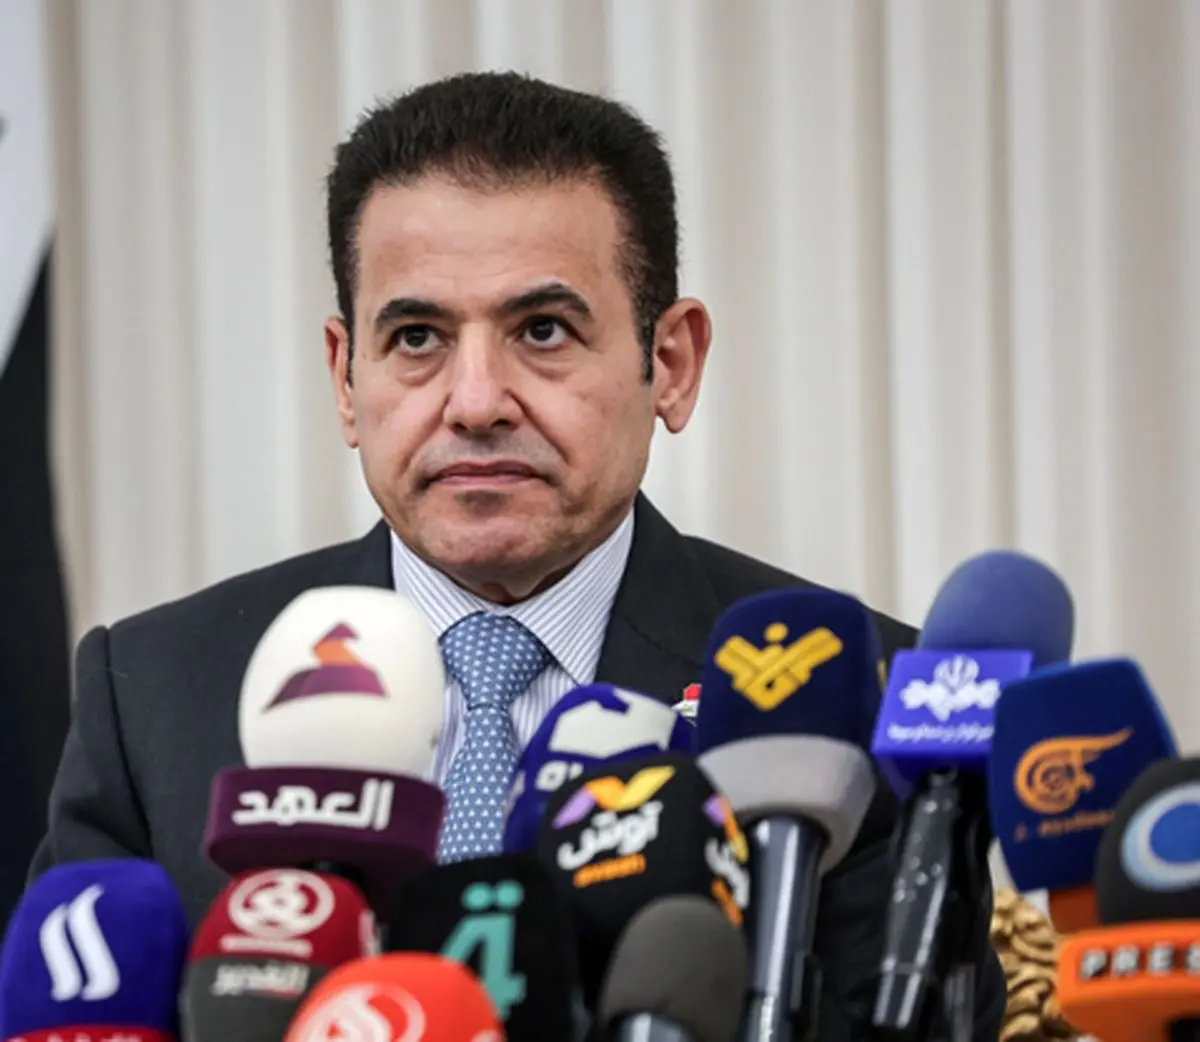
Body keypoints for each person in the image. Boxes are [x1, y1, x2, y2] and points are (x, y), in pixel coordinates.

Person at [32, 72, 1003, 1040]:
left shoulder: (855, 704)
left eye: (543, 331)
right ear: (346, 377)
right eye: (417, 337)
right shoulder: (154, 696)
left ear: (669, 363)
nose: (476, 402)